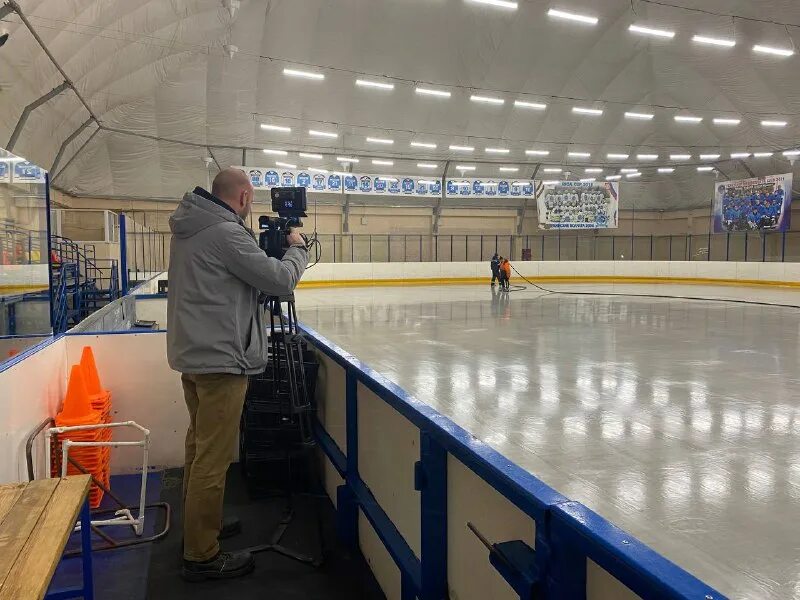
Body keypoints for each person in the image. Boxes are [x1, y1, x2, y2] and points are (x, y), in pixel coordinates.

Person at [167, 168, 308, 581]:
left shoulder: (191, 226)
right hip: (221, 361)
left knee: (198, 448)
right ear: (244, 197)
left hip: (195, 355)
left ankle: (200, 526)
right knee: (212, 459)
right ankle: (201, 555)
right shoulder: (226, 233)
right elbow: (279, 281)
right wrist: (297, 250)